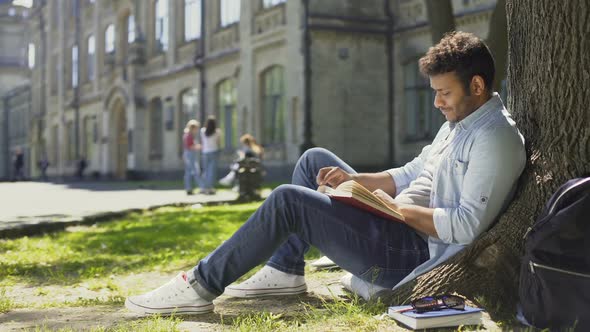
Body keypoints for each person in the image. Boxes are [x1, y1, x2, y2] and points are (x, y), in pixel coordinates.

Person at [125, 31, 526, 316]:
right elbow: (411, 172)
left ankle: (199, 285)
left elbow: (465, 227)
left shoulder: (494, 140)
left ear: (476, 85)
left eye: (445, 93)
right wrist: (361, 184)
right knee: (314, 159)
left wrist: (393, 209)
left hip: (407, 253)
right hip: (392, 220)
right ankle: (285, 270)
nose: (437, 102)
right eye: (434, 92)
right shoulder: (458, 121)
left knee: (288, 200)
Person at [200, 116, 221, 195]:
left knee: (205, 171)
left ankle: (204, 187)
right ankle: (210, 188)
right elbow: (218, 142)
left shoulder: (202, 131)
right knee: (212, 171)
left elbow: (202, 142)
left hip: (205, 152)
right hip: (214, 151)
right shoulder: (217, 132)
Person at [183, 120, 202, 195]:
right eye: (196, 128)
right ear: (192, 128)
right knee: (195, 171)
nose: (197, 131)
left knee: (189, 172)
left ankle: (189, 188)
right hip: (190, 154)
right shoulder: (188, 135)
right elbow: (190, 146)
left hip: (188, 154)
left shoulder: (187, 135)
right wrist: (198, 146)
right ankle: (201, 187)